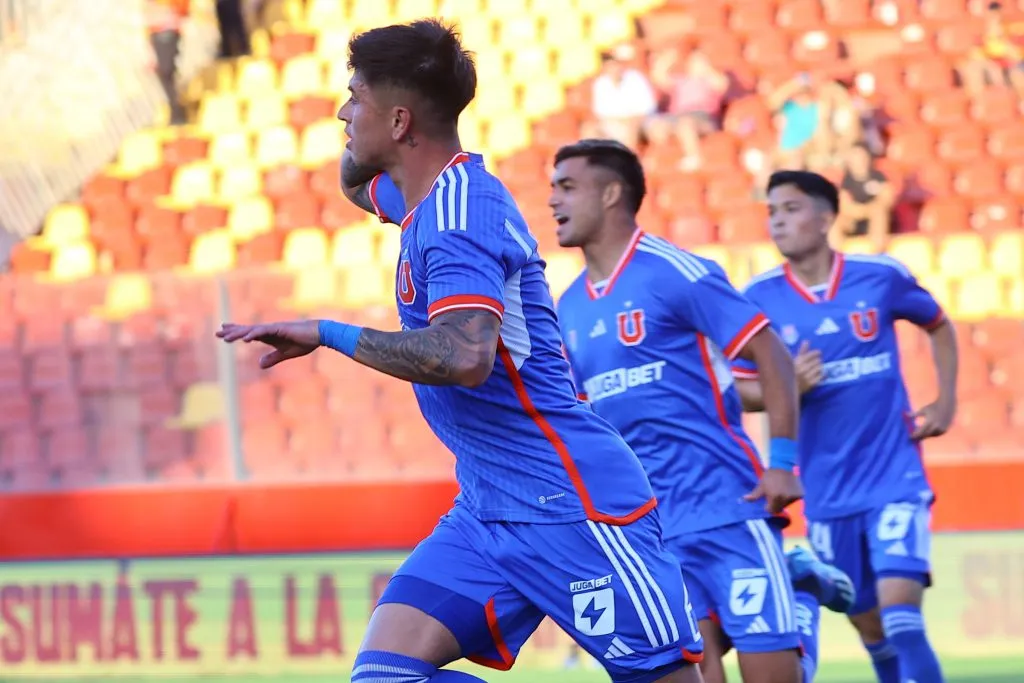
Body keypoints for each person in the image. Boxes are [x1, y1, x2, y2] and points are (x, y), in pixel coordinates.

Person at [217, 20, 704, 683]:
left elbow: (464, 355)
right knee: (385, 676)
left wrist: (329, 333)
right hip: (486, 508)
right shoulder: (423, 198)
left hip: (568, 502)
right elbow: (356, 185)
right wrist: (368, 125)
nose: (342, 112)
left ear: (399, 121)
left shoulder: (459, 213)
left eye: (355, 98)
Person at [551, 139, 855, 683]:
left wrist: (782, 462)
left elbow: (770, 354)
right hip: (651, 527)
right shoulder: (568, 308)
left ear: (612, 193)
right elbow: (581, 421)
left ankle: (801, 593)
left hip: (727, 506)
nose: (553, 199)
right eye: (554, 187)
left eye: (568, 187)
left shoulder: (674, 272)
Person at [733, 170, 958, 683]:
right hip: (826, 491)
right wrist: (787, 386)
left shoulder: (879, 276)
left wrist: (945, 402)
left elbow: (939, 324)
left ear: (826, 217)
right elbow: (737, 389)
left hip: (893, 476)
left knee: (902, 617)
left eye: (790, 209)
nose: (777, 221)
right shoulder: (759, 298)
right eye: (771, 212)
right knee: (871, 627)